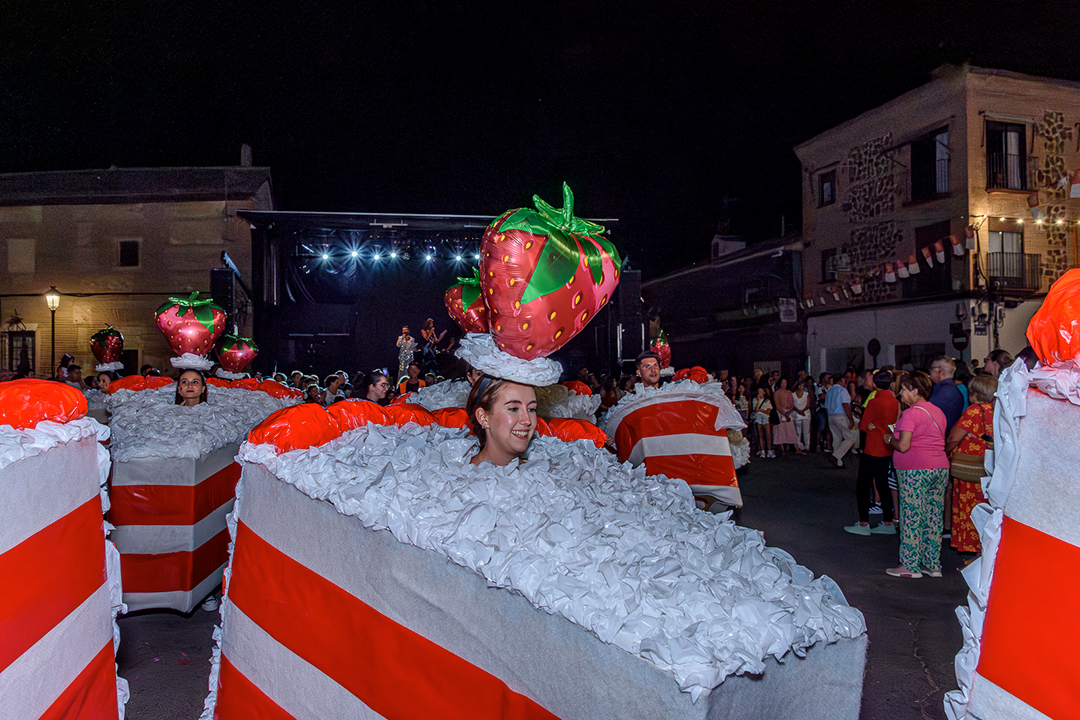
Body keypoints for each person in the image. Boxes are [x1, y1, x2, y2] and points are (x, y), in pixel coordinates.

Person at [883, 371, 949, 578]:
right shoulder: (937, 411)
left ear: (915, 390)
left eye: (903, 389)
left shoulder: (911, 413)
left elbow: (903, 445)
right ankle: (932, 564)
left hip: (915, 469)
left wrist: (888, 439)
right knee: (933, 515)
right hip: (940, 467)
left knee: (912, 515)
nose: (900, 394)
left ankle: (909, 566)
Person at [945, 374, 997, 554]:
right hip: (988, 467)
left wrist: (945, 451)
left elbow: (954, 437)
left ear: (975, 393)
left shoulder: (974, 411)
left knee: (969, 510)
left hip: (969, 470)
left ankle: (973, 548)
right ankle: (984, 550)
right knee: (985, 508)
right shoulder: (997, 409)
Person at [846, 370, 900, 536]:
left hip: (872, 447)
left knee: (863, 484)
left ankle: (863, 523)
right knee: (884, 484)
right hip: (887, 446)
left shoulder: (875, 401)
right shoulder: (895, 401)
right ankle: (888, 521)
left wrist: (871, 426)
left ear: (875, 384)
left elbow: (863, 425)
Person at [466, 375, 538, 467]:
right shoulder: (457, 479)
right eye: (513, 409)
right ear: (483, 417)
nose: (527, 420)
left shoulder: (544, 475)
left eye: (531, 409)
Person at [825, 372, 858, 467]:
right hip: (841, 415)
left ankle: (838, 461)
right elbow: (845, 405)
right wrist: (850, 419)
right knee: (851, 437)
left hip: (831, 415)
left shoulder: (830, 391)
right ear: (842, 380)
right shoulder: (843, 390)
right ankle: (836, 456)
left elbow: (826, 406)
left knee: (836, 437)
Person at [927, 356, 964, 434]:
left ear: (940, 371)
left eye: (932, 368)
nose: (930, 372)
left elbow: (928, 415)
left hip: (941, 437)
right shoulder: (948, 389)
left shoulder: (945, 392)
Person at [772, 378, 798, 454]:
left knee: (791, 429)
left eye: (785, 383)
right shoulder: (777, 393)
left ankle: (794, 446)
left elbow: (792, 404)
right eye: (783, 383)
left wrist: (788, 412)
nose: (784, 384)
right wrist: (783, 413)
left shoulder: (789, 392)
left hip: (788, 412)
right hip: (780, 412)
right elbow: (777, 405)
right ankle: (781, 446)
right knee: (780, 430)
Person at [750, 386, 774, 458]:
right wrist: (758, 401)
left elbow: (768, 411)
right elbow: (756, 409)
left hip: (765, 418)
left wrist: (761, 410)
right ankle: (762, 450)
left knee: (768, 434)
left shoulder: (767, 401)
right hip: (758, 418)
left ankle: (769, 450)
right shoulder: (755, 400)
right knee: (760, 434)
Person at [792, 379, 811, 454]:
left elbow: (808, 404)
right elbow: (792, 404)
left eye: (802, 385)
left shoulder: (806, 394)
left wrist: (803, 410)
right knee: (798, 431)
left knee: (806, 431)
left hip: (805, 414)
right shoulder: (793, 394)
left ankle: (807, 446)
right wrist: (798, 411)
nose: (801, 387)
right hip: (796, 414)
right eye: (800, 385)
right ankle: (800, 446)